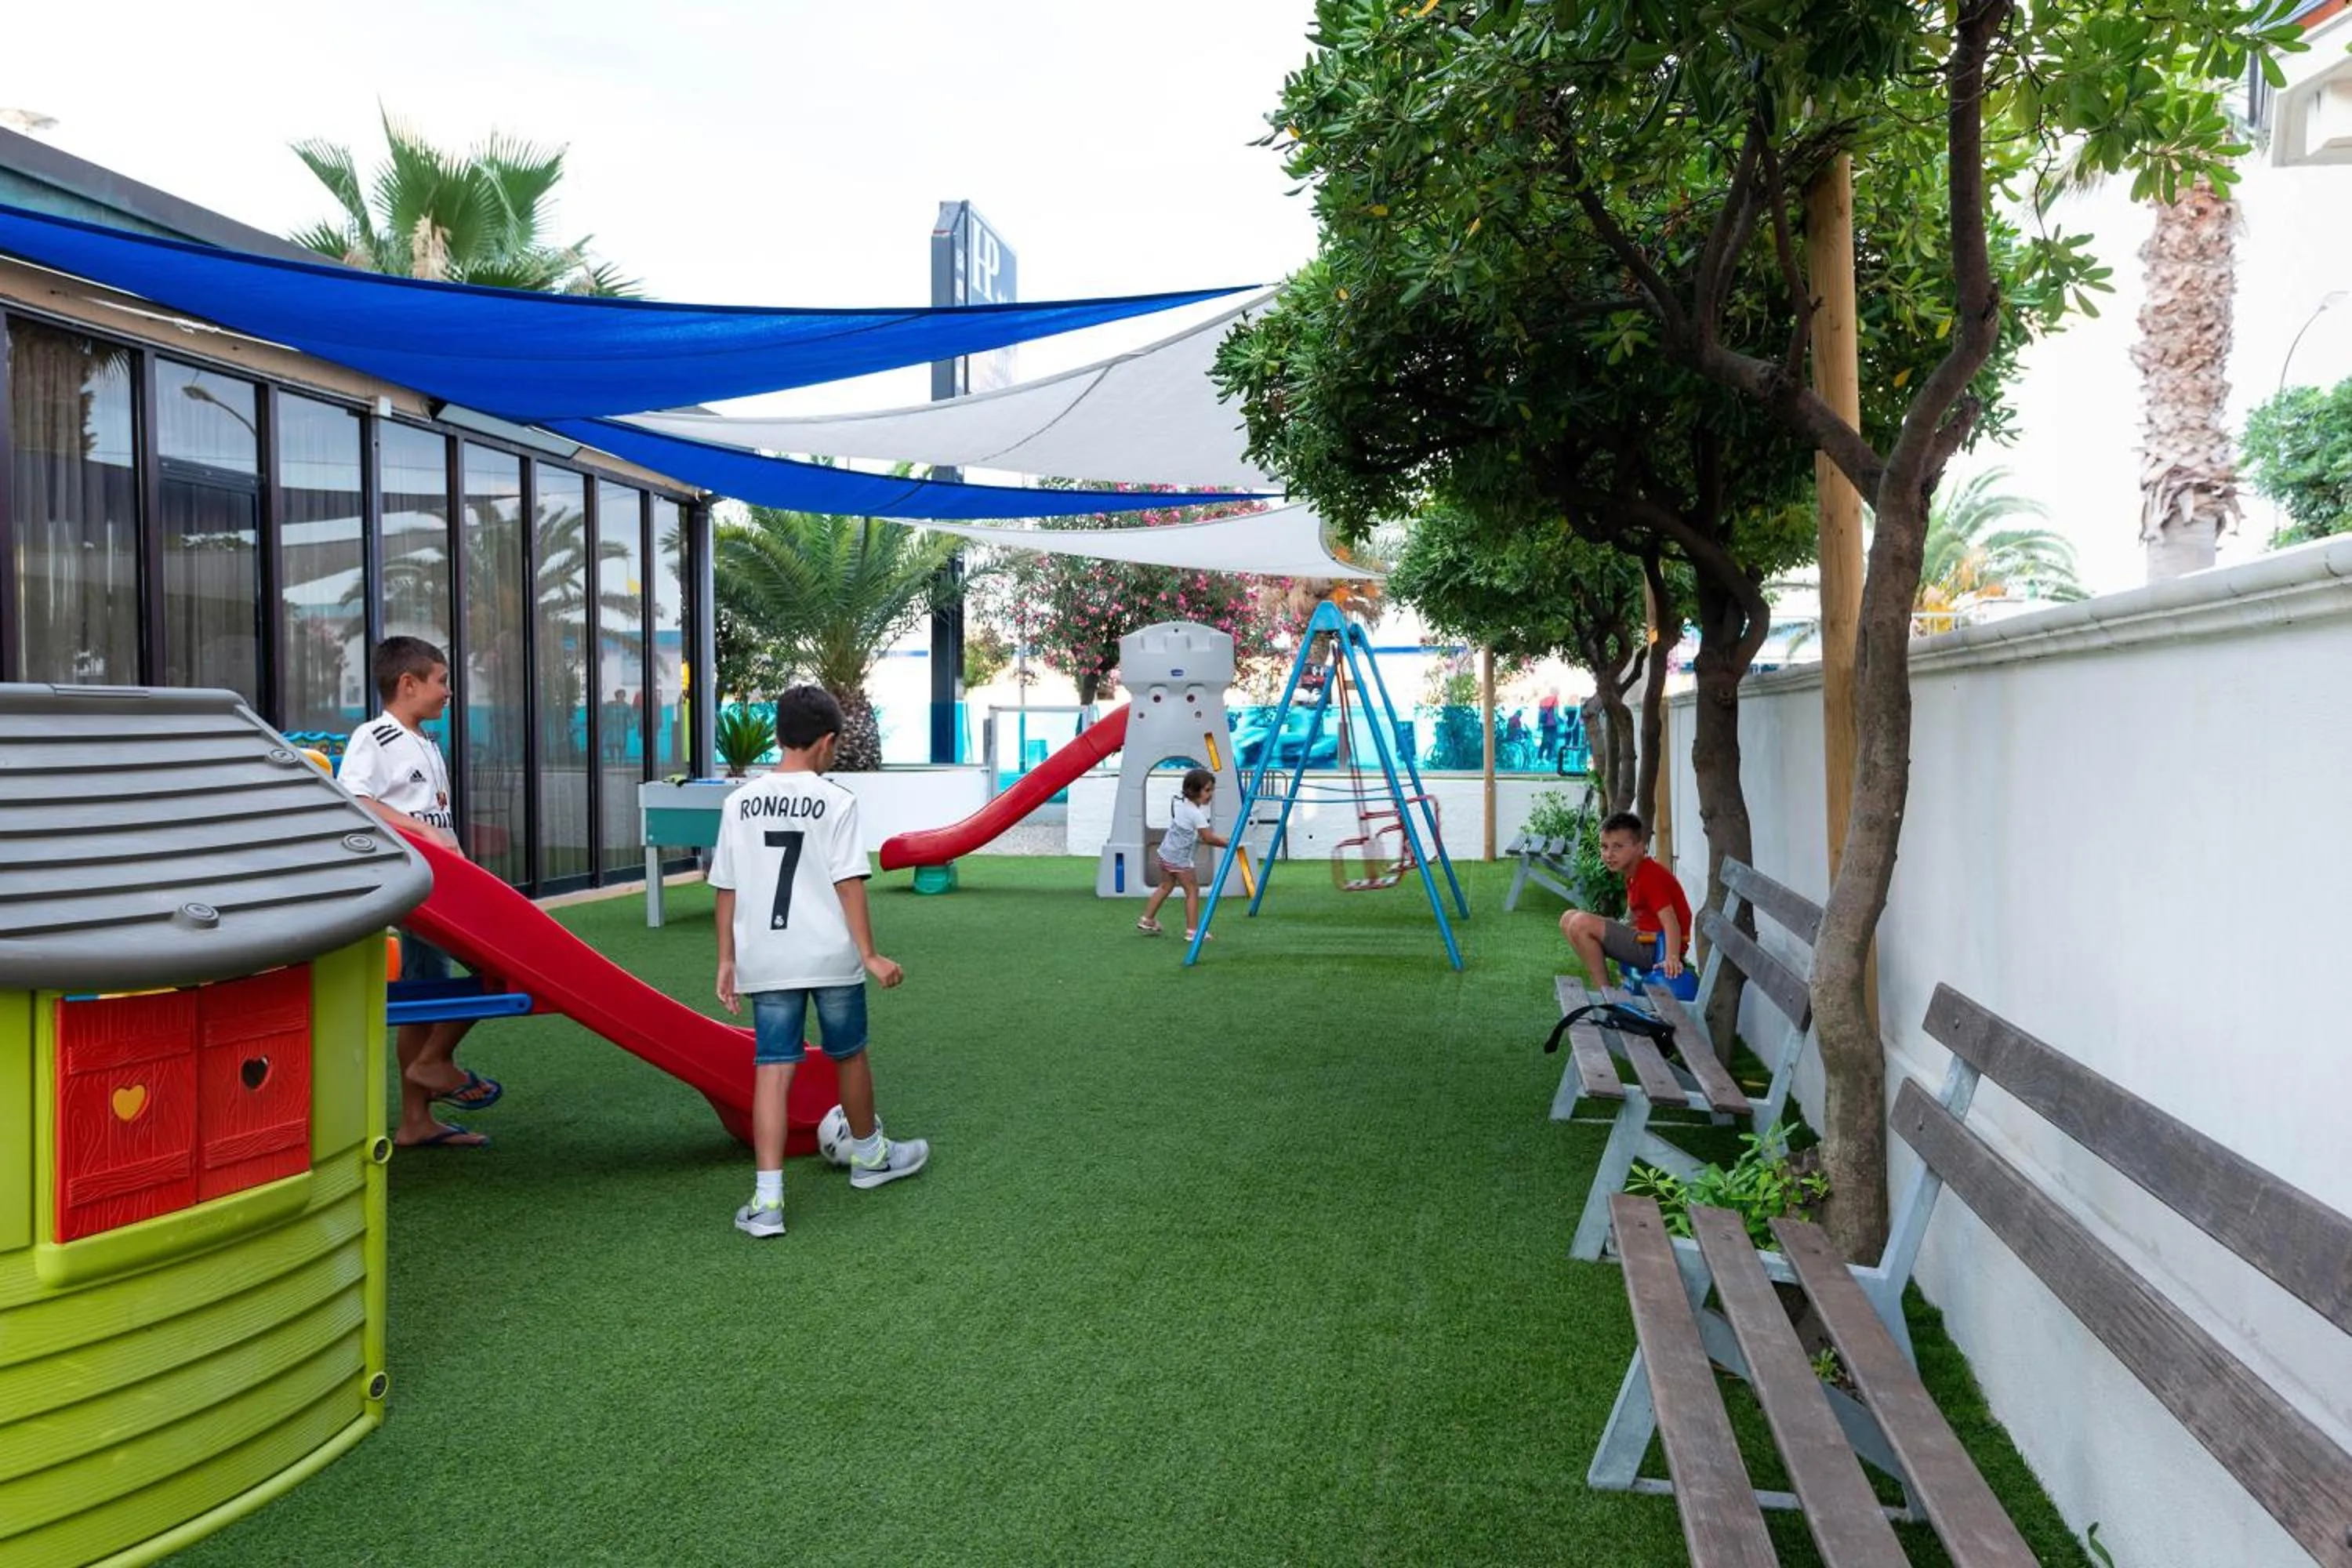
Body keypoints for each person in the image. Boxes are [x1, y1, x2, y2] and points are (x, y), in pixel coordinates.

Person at [710, 685, 927, 1240]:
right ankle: (870, 1159)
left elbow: (726, 889)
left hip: (768, 957)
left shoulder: (738, 803)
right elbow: (848, 882)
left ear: (779, 734)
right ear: (826, 742)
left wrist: (726, 961)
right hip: (829, 955)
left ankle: (767, 1202)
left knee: (773, 1071)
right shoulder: (837, 801)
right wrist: (870, 954)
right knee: (849, 1057)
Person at [339, 636, 502, 1151]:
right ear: (408, 684)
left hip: (440, 887)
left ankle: (416, 1120)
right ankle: (434, 1063)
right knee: (493, 964)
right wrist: (425, 832)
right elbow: (354, 799)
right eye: (442, 680)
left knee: (427, 990)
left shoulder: (425, 742)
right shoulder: (376, 737)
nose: (449, 691)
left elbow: (433, 812)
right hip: (416, 888)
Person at [1559, 811, 1693, 993]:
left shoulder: (1649, 875)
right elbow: (1638, 913)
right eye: (1604, 847)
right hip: (1644, 939)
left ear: (1640, 847)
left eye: (1618, 847)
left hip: (1655, 949)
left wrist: (1671, 957)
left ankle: (1605, 995)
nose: (1609, 854)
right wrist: (1620, 926)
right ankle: (1606, 992)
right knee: (1568, 918)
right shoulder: (1634, 873)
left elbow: (1671, 922)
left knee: (1581, 923)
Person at [1135, 768, 1229, 941]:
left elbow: (1193, 835)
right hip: (1179, 860)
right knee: (1192, 890)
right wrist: (1228, 844)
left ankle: (1147, 919)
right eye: (1208, 790)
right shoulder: (1197, 814)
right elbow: (1207, 838)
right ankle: (1193, 932)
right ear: (1195, 791)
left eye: (1212, 790)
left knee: (1165, 886)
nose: (1211, 794)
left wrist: (1222, 840)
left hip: (1165, 853)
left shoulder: (1183, 806)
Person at [1537, 689, 1563, 762]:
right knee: (1552, 741)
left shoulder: (1543, 700)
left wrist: (1539, 724)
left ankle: (1539, 758)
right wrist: (1558, 723)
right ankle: (1548, 759)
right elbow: (1556, 714)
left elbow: (1539, 713)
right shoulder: (1555, 700)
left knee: (1544, 741)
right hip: (1552, 724)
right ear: (1556, 692)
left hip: (1545, 724)